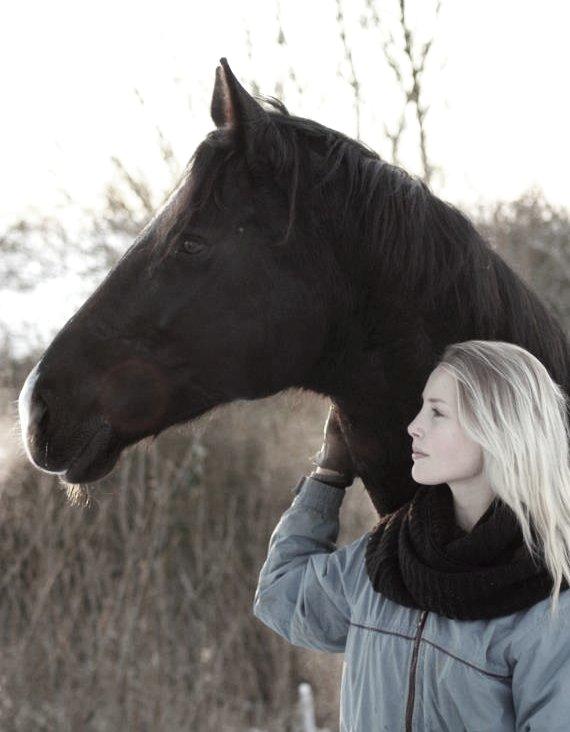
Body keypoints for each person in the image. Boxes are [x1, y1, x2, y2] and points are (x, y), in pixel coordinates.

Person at [253, 340, 570, 731]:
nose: (414, 426)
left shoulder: (550, 600)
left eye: (437, 412)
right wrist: (329, 475)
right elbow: (282, 599)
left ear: (497, 428)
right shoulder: (391, 555)